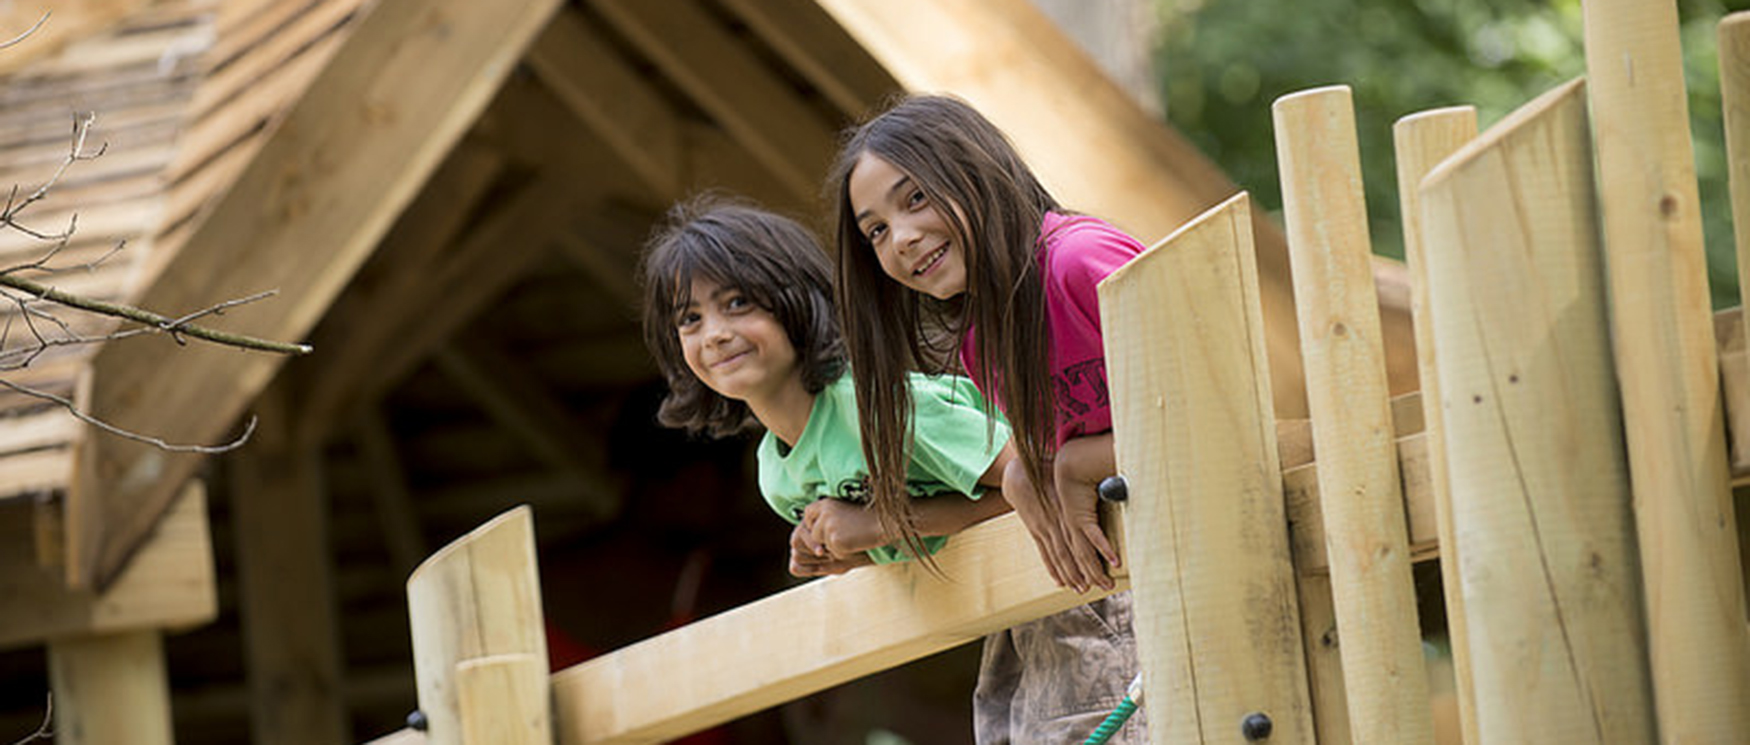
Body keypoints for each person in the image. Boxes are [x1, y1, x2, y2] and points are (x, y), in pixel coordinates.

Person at [829, 94, 1150, 744]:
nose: (902, 238)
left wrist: (1073, 462)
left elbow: (1214, 402)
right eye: (877, 231)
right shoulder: (983, 341)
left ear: (974, 169)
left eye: (914, 198)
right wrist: (1026, 471)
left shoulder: (1078, 262)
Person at [639, 194, 1014, 577]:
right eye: (689, 318)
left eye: (737, 303)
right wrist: (848, 556)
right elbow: (934, 547)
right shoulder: (777, 477)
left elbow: (1045, 482)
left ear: (799, 300)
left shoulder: (875, 410)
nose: (714, 335)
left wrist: (885, 524)